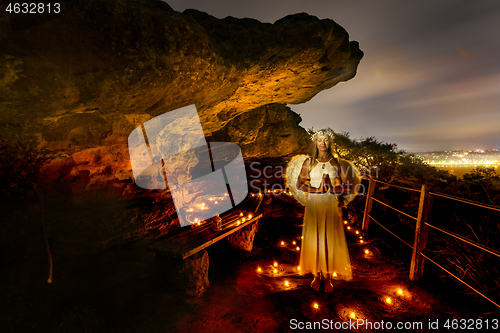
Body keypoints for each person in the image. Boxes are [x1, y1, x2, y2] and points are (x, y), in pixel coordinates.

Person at [295, 129, 360, 292]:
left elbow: (347, 185)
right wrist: (316, 190)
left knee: (329, 237)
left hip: (330, 202)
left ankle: (328, 277)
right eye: (319, 140)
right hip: (314, 203)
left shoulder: (337, 163)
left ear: (329, 143)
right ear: (315, 143)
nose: (322, 143)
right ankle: (316, 276)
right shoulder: (309, 162)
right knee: (315, 237)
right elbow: (299, 184)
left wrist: (333, 187)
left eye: (326, 140)